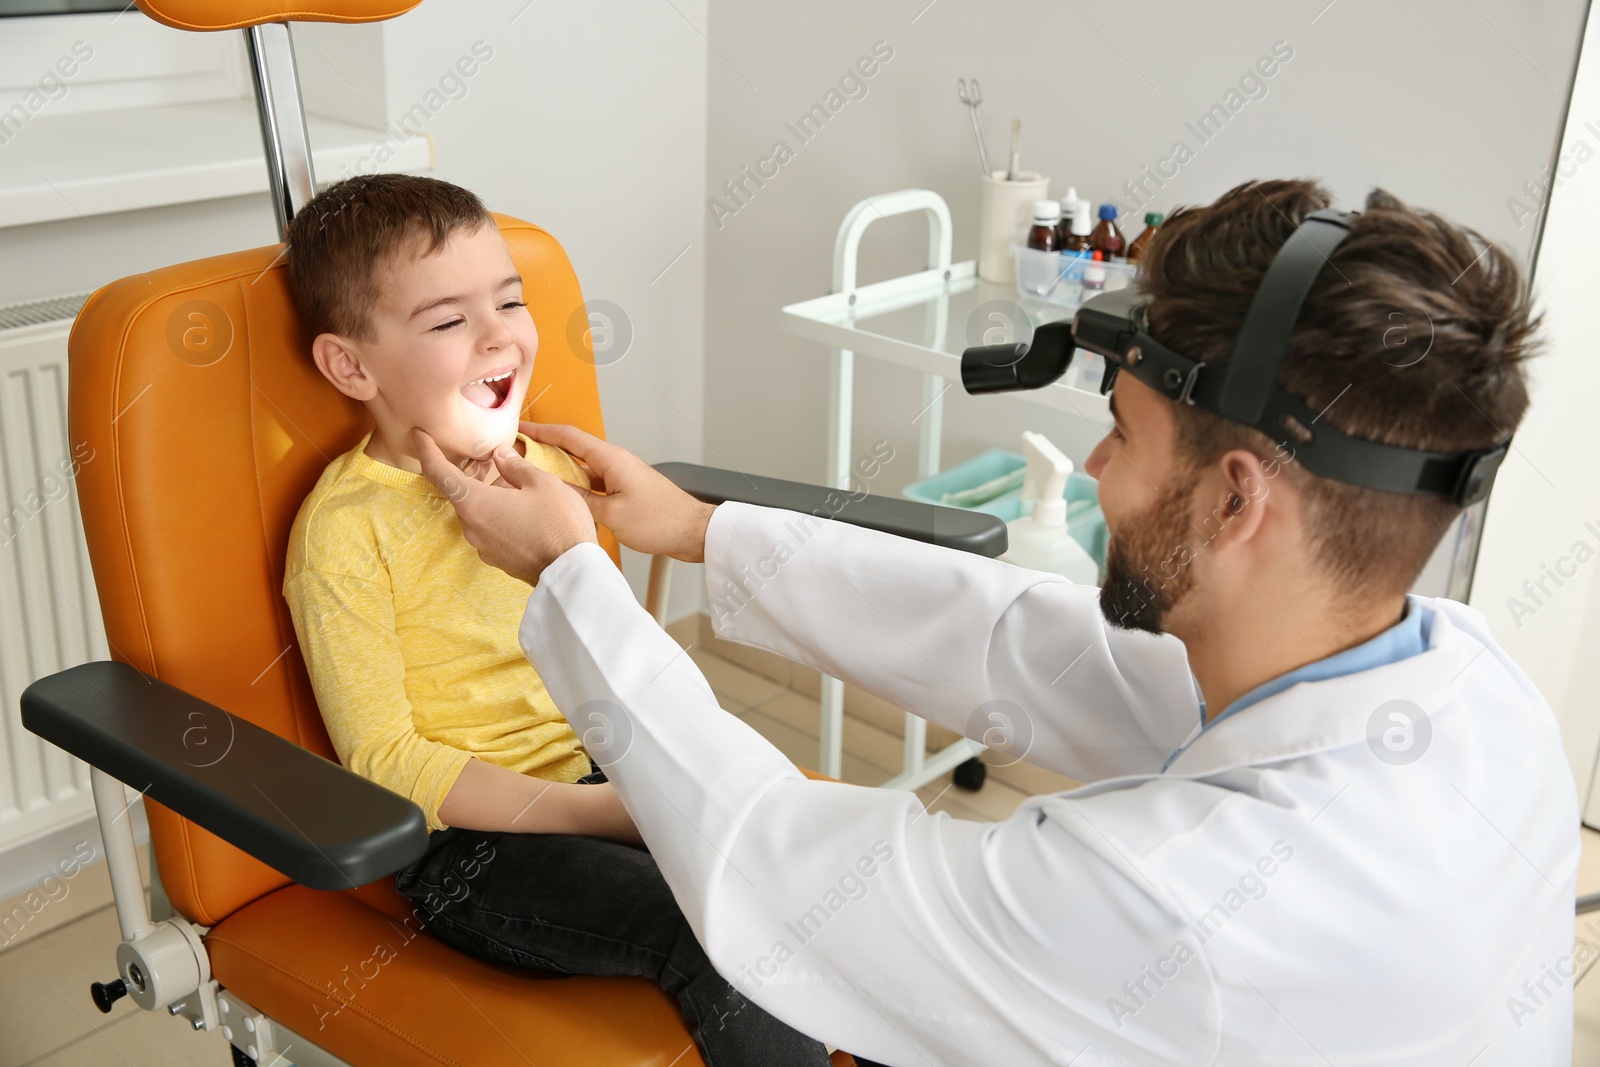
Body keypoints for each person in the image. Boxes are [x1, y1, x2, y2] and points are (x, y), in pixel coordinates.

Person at [414, 179, 1580, 1066]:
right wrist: (698, 529)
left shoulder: (1178, 909)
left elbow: (769, 870)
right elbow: (1035, 644)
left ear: (1237, 499)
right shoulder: (1470, 689)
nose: (1093, 463)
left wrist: (575, 578)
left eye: (1120, 429)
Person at [280, 173, 838, 1066]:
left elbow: (609, 649)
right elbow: (392, 762)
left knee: (815, 879)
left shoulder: (543, 473)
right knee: (715, 933)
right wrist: (606, 814)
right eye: (448, 319)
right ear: (351, 365)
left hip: (605, 772)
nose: (500, 332)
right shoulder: (346, 533)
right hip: (476, 850)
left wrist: (646, 782)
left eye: (509, 299)